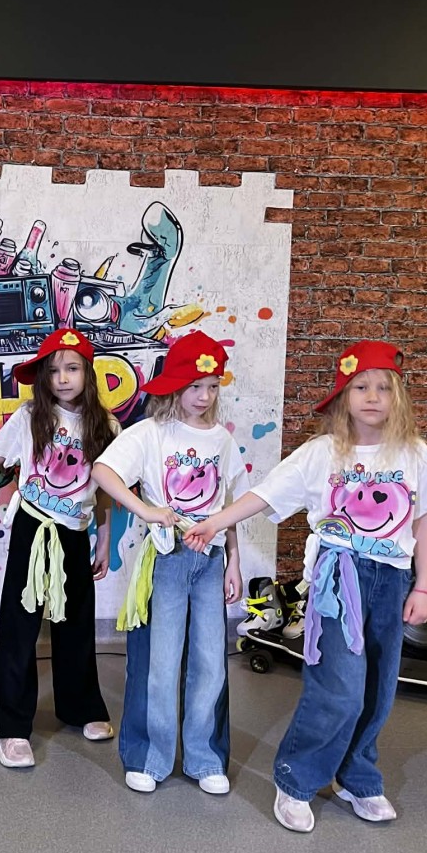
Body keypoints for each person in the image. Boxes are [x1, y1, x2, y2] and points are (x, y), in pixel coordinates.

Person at [184, 339, 427, 832]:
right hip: (338, 581)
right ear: (344, 397)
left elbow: (425, 521)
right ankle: (297, 779)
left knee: (377, 689)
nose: (373, 396)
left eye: (383, 387)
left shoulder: (414, 453)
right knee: (339, 687)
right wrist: (215, 522)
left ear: (398, 397)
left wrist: (423, 587)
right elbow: (264, 496)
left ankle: (355, 776)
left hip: (392, 581)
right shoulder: (321, 453)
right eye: (361, 387)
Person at [92, 330, 248, 796]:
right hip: (167, 559)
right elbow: (103, 471)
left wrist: (234, 562)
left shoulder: (222, 440)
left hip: (210, 561)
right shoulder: (150, 433)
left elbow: (230, 505)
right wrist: (145, 509)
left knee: (210, 662)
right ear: (175, 385)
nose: (204, 396)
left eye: (212, 387)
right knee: (158, 663)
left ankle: (205, 757)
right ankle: (149, 755)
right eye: (195, 386)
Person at [0, 328, 118, 768]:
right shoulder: (29, 416)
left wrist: (104, 541)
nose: (63, 378)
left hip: (74, 534)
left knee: (76, 622)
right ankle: (12, 726)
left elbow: (105, 490)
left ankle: (81, 707)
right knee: (20, 626)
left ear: (87, 373)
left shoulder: (106, 426)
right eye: (54, 371)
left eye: (72, 369)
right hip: (32, 529)